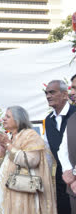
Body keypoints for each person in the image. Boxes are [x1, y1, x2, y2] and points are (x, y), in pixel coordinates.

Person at [0, 106, 56, 214]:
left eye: (8, 116)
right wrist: (2, 149)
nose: (4, 119)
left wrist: (8, 144)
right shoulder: (9, 136)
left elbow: (31, 161)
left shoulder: (30, 135)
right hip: (8, 190)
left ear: (18, 120)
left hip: (24, 193)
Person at [44, 80, 76, 214]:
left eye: (52, 92)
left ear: (64, 94)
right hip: (60, 179)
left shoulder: (74, 114)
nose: (48, 96)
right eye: (46, 93)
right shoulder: (49, 120)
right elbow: (47, 151)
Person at [58, 74, 76, 213]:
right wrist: (67, 170)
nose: (72, 93)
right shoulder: (72, 119)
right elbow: (62, 148)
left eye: (75, 88)